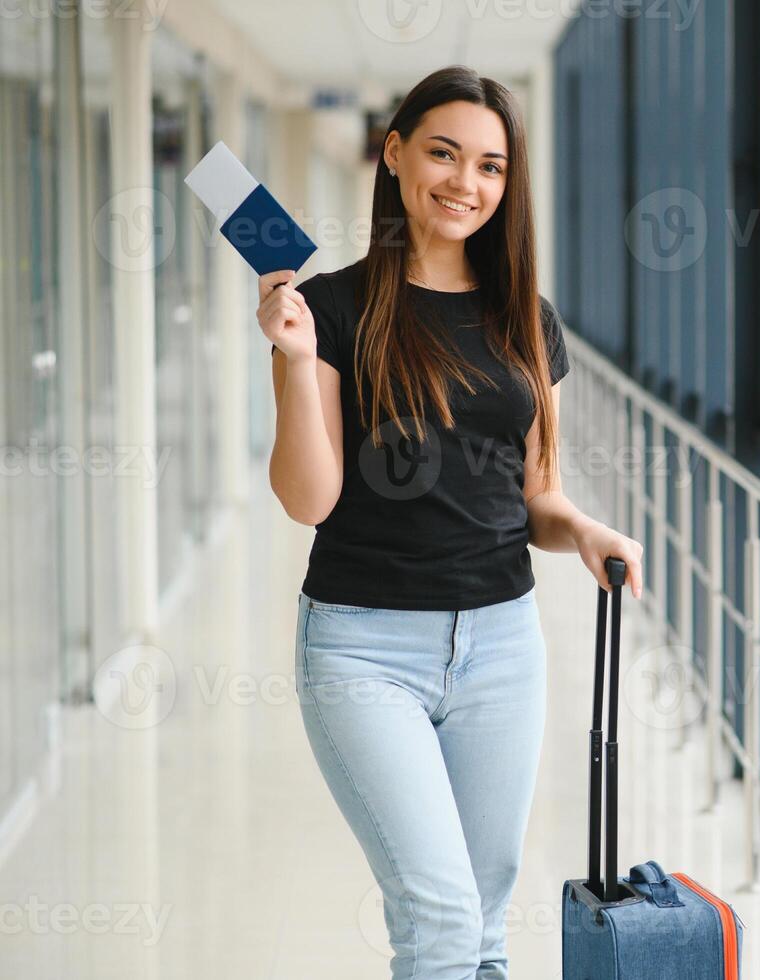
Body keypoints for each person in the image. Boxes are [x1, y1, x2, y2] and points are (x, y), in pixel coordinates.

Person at [255, 65, 643, 980]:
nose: (465, 183)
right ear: (393, 155)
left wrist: (584, 531)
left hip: (503, 647)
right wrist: (294, 359)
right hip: (362, 647)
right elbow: (306, 499)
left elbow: (536, 496)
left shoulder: (526, 322)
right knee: (437, 917)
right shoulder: (335, 310)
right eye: (442, 153)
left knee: (481, 924)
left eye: (491, 166)